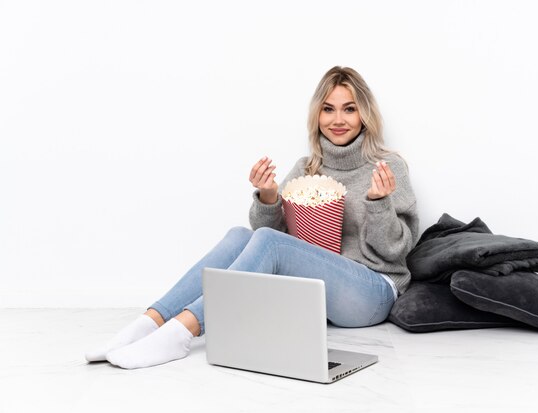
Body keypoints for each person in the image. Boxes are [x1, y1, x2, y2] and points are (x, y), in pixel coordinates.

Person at [85, 66, 419, 369]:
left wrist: (378, 203)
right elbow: (264, 240)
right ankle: (147, 323)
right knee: (238, 235)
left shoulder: (389, 167)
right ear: (316, 115)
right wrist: (270, 197)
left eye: (349, 108)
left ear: (365, 114)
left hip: (373, 292)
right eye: (328, 109)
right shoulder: (307, 168)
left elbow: (394, 252)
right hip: (318, 292)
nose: (338, 119)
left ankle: (183, 332)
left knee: (268, 243)